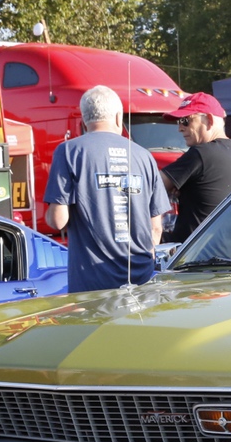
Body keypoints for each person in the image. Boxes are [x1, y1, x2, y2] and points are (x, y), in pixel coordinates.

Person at [45, 84, 172, 291]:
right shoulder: (144, 156)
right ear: (117, 117)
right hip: (141, 278)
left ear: (84, 120)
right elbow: (156, 227)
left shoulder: (68, 151)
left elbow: (58, 220)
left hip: (92, 282)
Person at [162, 92, 231, 244]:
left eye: (185, 120)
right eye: (179, 122)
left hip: (192, 255)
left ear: (208, 119)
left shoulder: (201, 153)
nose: (180, 128)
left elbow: (151, 187)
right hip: (224, 252)